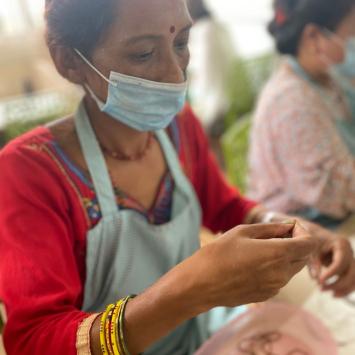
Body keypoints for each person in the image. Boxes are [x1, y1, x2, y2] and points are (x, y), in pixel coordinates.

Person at [0, 0, 353, 354]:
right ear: (70, 61)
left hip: (200, 337)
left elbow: (226, 207)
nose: (175, 75)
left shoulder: (179, 128)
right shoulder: (29, 174)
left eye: (181, 43)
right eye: (143, 53)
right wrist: (193, 289)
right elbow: (33, 341)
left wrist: (293, 230)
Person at [249, 0, 355, 228]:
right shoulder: (290, 102)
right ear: (314, 37)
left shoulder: (329, 80)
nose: (352, 44)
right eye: (350, 36)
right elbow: (339, 192)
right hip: (304, 231)